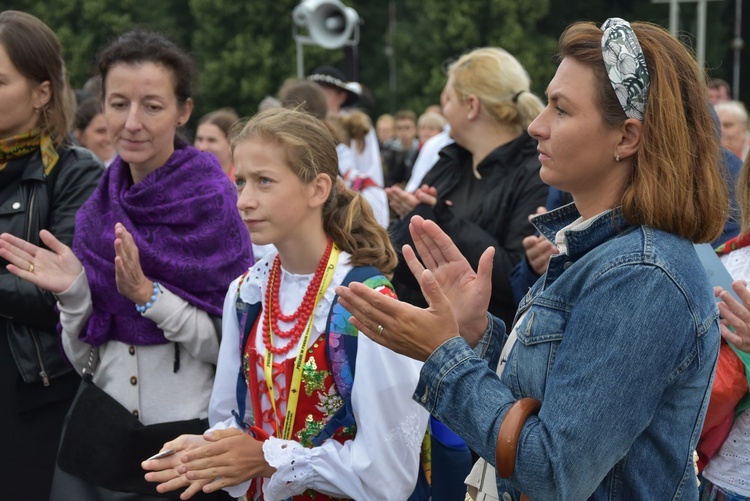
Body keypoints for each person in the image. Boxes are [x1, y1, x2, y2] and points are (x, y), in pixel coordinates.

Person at [335, 18, 729, 500]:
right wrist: (475, 335)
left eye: (561, 110)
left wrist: (444, 355)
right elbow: (543, 399)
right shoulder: (601, 250)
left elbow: (554, 471)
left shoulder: (641, 275)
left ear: (627, 138)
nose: (536, 125)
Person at [0, 29, 252, 499]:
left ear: (184, 111)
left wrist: (150, 298)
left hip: (188, 447)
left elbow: (233, 350)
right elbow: (85, 360)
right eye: (118, 104)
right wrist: (74, 293)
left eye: (153, 106)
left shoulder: (216, 204)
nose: (132, 122)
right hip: (100, 441)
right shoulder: (99, 206)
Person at [141, 107, 428, 500]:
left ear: (318, 188)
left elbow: (388, 475)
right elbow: (231, 417)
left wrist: (268, 458)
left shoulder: (365, 303)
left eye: (264, 181)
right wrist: (211, 451)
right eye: (240, 182)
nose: (244, 200)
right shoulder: (246, 293)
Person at [0, 11, 102, 501]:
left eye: (0, 80)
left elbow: (59, 297)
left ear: (41, 92)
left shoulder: (74, 172)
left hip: (31, 396)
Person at [388, 47, 548, 330]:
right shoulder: (451, 161)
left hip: (484, 350)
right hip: (423, 340)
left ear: (472, 106)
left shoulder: (535, 172)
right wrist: (412, 215)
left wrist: (442, 219)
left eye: (447, 101)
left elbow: (516, 276)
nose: (444, 112)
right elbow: (403, 257)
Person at [308, 65, 384, 187]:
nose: (317, 100)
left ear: (341, 97)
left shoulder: (359, 128)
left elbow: (372, 172)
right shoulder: (306, 128)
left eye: (324, 93)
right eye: (314, 94)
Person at [195, 107, 239, 182]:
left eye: (212, 140)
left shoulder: (242, 183)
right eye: (199, 139)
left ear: (232, 144)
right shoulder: (186, 179)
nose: (202, 147)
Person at [74, 96, 117, 167]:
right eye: (100, 131)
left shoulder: (131, 170)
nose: (109, 139)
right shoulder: (72, 172)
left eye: (112, 130)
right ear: (80, 135)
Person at [382, 109, 420, 188]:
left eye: (407, 128)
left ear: (415, 130)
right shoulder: (388, 151)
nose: (403, 132)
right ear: (395, 131)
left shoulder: (422, 150)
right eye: (400, 128)